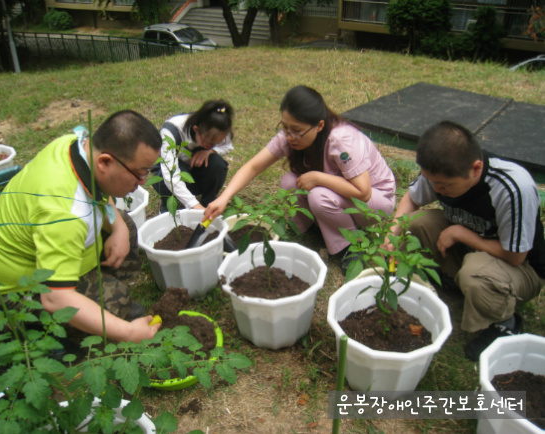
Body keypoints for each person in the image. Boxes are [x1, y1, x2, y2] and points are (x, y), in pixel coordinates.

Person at [0, 110, 163, 344]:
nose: (143, 182)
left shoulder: (76, 145)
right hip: (19, 293)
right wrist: (127, 333)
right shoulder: (64, 215)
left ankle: (99, 290)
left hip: (50, 249)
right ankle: (68, 337)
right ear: (105, 161)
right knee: (118, 302)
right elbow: (55, 299)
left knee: (125, 224)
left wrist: (118, 229)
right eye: (139, 173)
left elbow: (96, 189)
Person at [388, 120, 545, 361]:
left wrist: (463, 234)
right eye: (432, 183)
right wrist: (391, 234)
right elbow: (412, 198)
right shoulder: (440, 168)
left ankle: (505, 323)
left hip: (522, 268)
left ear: (475, 168)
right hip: (474, 247)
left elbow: (516, 256)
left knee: (474, 273)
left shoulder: (512, 187)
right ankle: (455, 281)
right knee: (416, 223)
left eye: (445, 186)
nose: (437, 190)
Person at [204, 85, 396, 274]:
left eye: (296, 130)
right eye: (285, 127)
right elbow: (254, 166)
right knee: (289, 182)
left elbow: (363, 192)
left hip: (375, 202)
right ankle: (315, 227)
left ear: (319, 125)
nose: (290, 136)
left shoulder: (341, 139)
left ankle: (353, 245)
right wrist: (224, 197)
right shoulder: (290, 137)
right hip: (343, 194)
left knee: (318, 195)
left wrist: (319, 177)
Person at [153, 100, 234, 213]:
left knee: (218, 164)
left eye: (217, 142)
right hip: (168, 172)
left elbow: (227, 146)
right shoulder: (172, 131)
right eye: (210, 142)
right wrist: (194, 205)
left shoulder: (221, 129)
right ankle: (168, 211)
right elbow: (169, 175)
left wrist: (210, 151)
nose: (213, 145)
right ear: (196, 130)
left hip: (193, 172)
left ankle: (208, 204)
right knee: (174, 174)